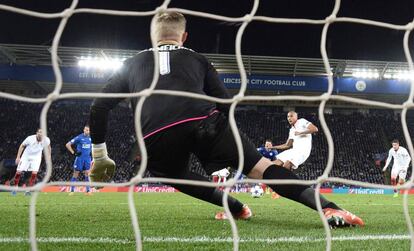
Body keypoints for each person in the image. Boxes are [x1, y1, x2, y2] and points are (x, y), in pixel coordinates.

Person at [88, 11, 363, 228]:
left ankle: (236, 208)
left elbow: (99, 107)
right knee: (260, 167)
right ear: (183, 36)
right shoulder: (197, 58)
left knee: (170, 173)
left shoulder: (131, 63)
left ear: (153, 37)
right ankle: (331, 208)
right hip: (205, 121)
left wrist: (100, 155)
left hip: (156, 133)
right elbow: (225, 102)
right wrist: (225, 141)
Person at [12, 128, 51, 196]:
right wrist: (18, 157)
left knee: (34, 173)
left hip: (36, 157)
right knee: (18, 172)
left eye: (42, 133)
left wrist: (49, 156)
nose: (40, 134)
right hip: (26, 156)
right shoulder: (30, 138)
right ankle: (15, 188)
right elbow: (22, 146)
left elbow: (48, 147)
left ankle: (28, 191)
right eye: (39, 132)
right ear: (36, 133)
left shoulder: (46, 140)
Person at [65, 125, 92, 195]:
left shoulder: (91, 138)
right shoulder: (79, 137)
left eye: (88, 130)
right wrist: (73, 153)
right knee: (76, 174)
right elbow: (68, 144)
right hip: (80, 159)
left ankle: (88, 191)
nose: (87, 131)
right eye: (86, 130)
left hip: (88, 159)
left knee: (87, 173)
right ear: (83, 130)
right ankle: (72, 191)